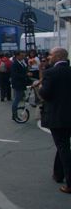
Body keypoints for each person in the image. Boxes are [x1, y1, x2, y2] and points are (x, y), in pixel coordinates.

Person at [38, 47, 71, 194]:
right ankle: (58, 173)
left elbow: (45, 94)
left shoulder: (50, 73)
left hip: (57, 116)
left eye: (51, 55)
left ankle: (69, 182)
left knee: (63, 147)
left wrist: (40, 86)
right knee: (63, 144)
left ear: (57, 57)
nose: (49, 57)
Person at [10, 51, 29, 122]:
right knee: (16, 99)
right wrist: (25, 75)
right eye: (21, 55)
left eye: (23, 55)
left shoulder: (22, 62)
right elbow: (15, 75)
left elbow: (24, 70)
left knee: (18, 98)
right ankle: (14, 115)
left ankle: (15, 114)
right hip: (18, 84)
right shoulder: (15, 64)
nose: (23, 57)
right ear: (17, 56)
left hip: (21, 83)